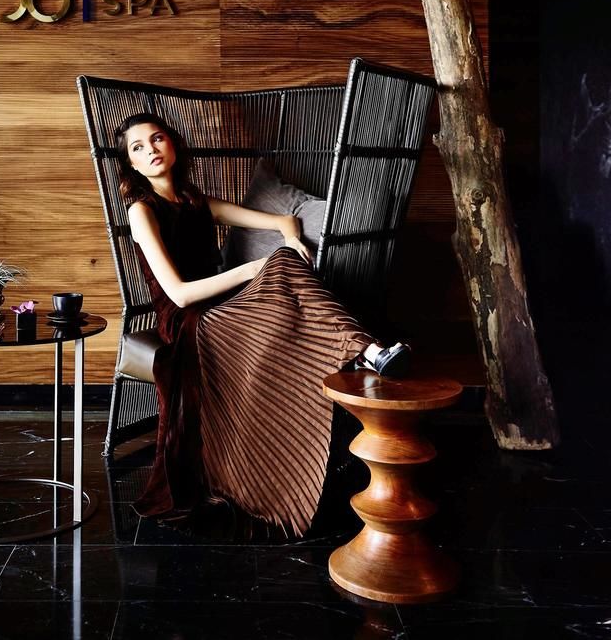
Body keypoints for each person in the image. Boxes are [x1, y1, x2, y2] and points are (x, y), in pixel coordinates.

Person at [116, 112, 411, 536]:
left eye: (157, 139)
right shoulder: (142, 212)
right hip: (191, 323)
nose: (151, 150)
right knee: (277, 269)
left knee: (285, 262)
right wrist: (253, 269)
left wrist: (289, 239)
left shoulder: (196, 201)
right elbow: (178, 294)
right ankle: (367, 352)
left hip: (227, 308)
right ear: (131, 164)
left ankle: (366, 352)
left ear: (173, 144)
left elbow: (283, 221)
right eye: (138, 147)